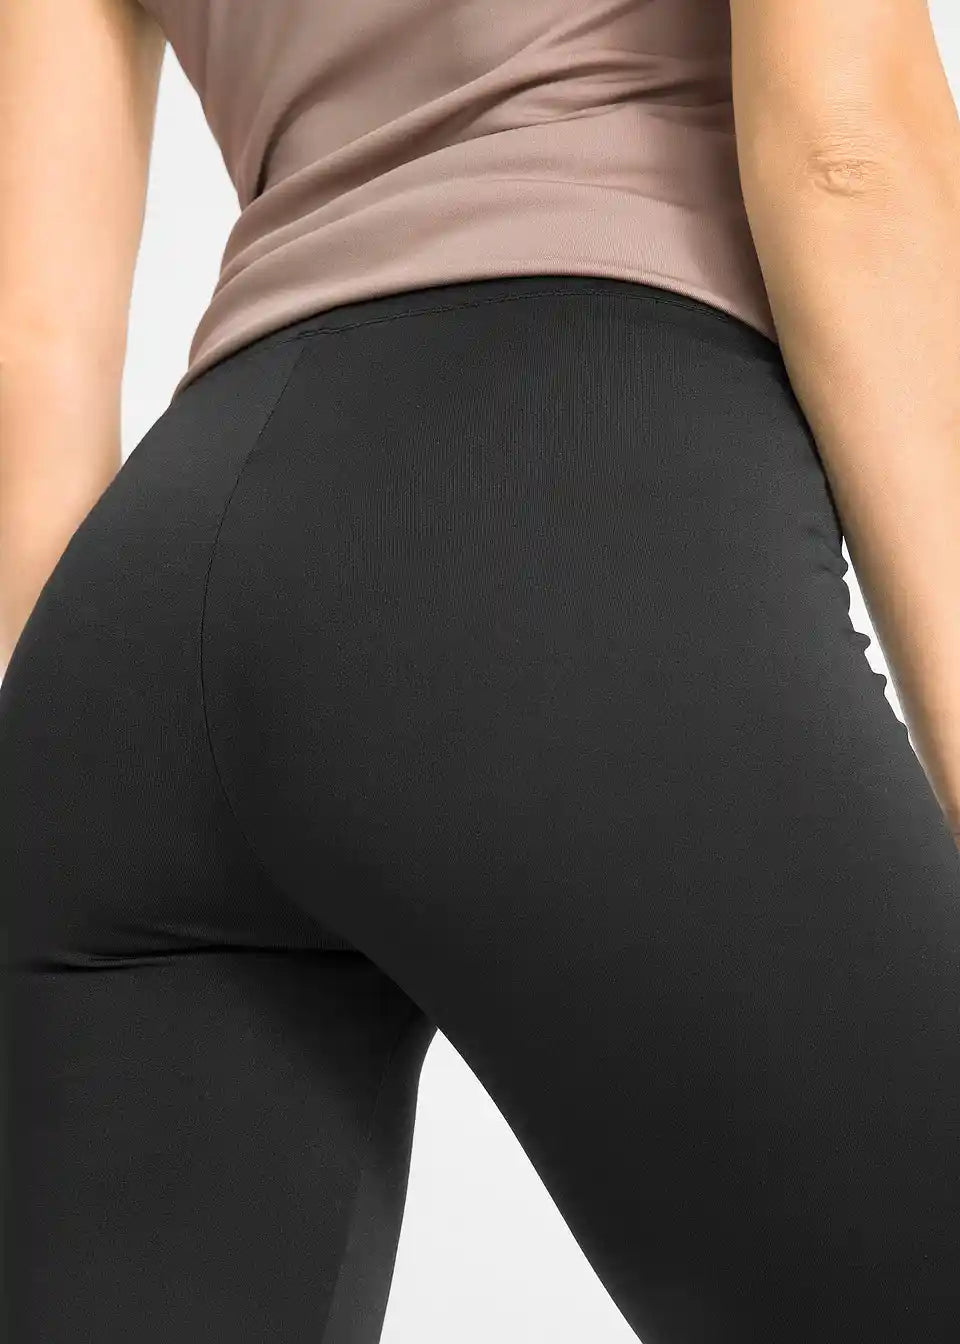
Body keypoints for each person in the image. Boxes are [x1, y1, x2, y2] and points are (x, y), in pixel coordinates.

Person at [2, 1, 958, 1340]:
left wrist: (59, 796)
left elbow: (30, 361)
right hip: (563, 500)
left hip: (143, 625)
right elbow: (848, 153)